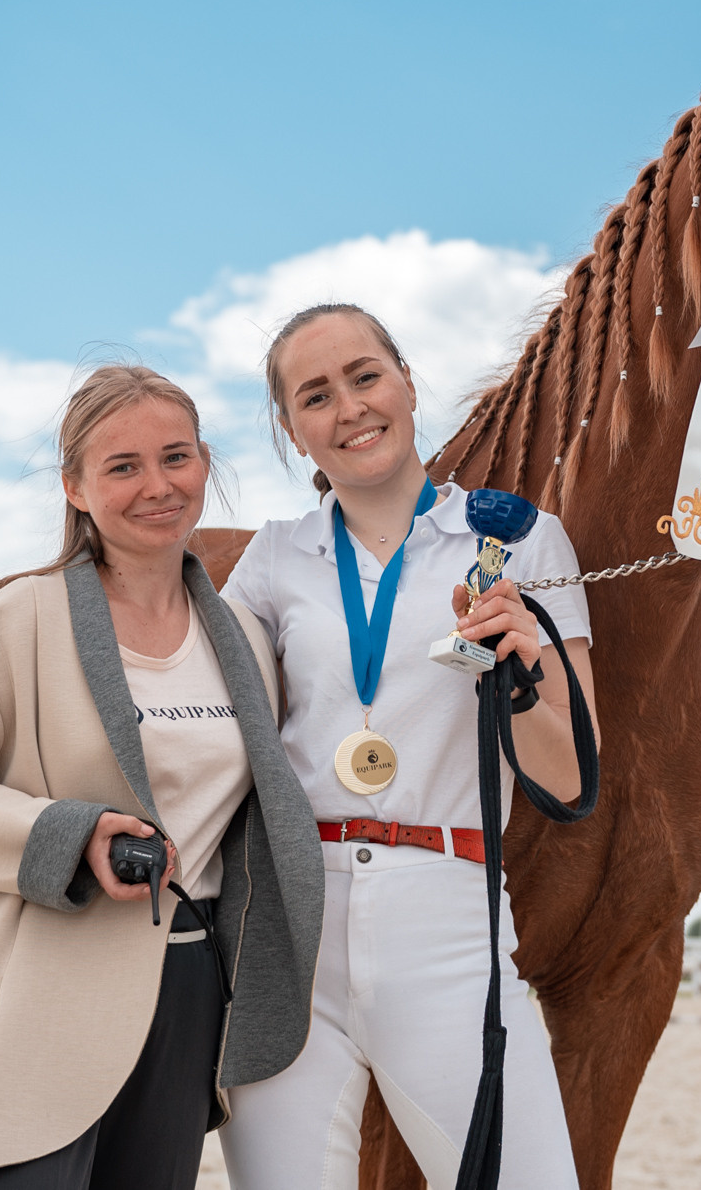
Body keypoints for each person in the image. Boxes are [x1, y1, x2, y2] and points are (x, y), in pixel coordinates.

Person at [0, 365, 324, 1190]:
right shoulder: (18, 620)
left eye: (176, 457)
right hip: (36, 984)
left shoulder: (247, 640)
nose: (158, 486)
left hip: (184, 990)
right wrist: (67, 837)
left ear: (206, 463)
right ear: (75, 488)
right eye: (123, 467)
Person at [216, 303, 599, 1188]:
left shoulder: (516, 537)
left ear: (407, 382)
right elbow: (204, 712)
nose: (348, 407)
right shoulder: (273, 559)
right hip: (293, 924)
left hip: (448, 913)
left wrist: (525, 662)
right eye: (315, 396)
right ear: (291, 429)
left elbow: (573, 773)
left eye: (364, 376)